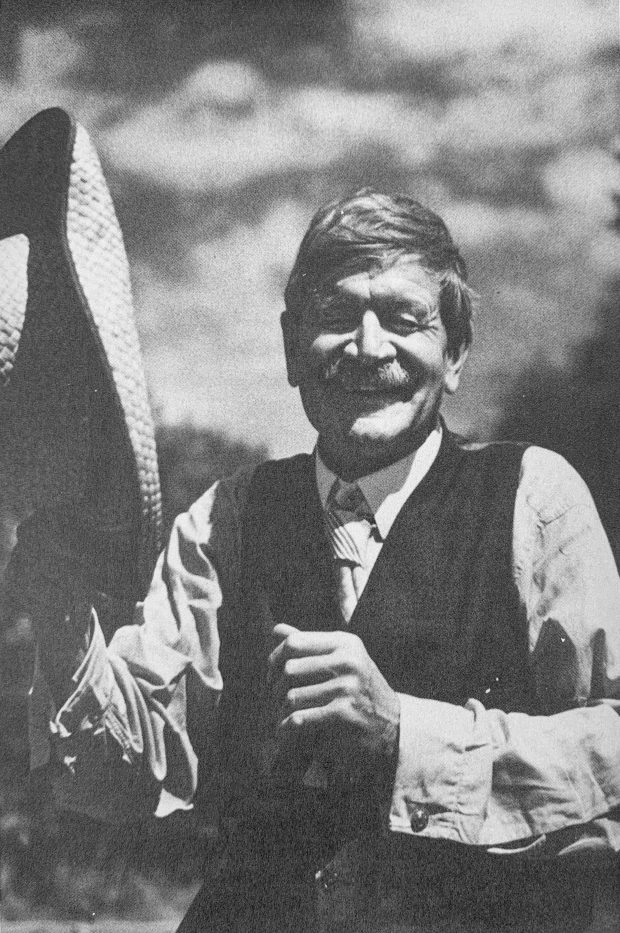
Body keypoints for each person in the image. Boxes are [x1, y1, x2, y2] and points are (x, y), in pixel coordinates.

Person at [18, 189, 620, 932]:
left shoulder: (536, 498)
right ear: (290, 345)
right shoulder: (226, 518)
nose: (368, 347)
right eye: (337, 317)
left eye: (404, 318)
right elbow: (127, 779)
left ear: (456, 351)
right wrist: (64, 623)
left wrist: (404, 733)